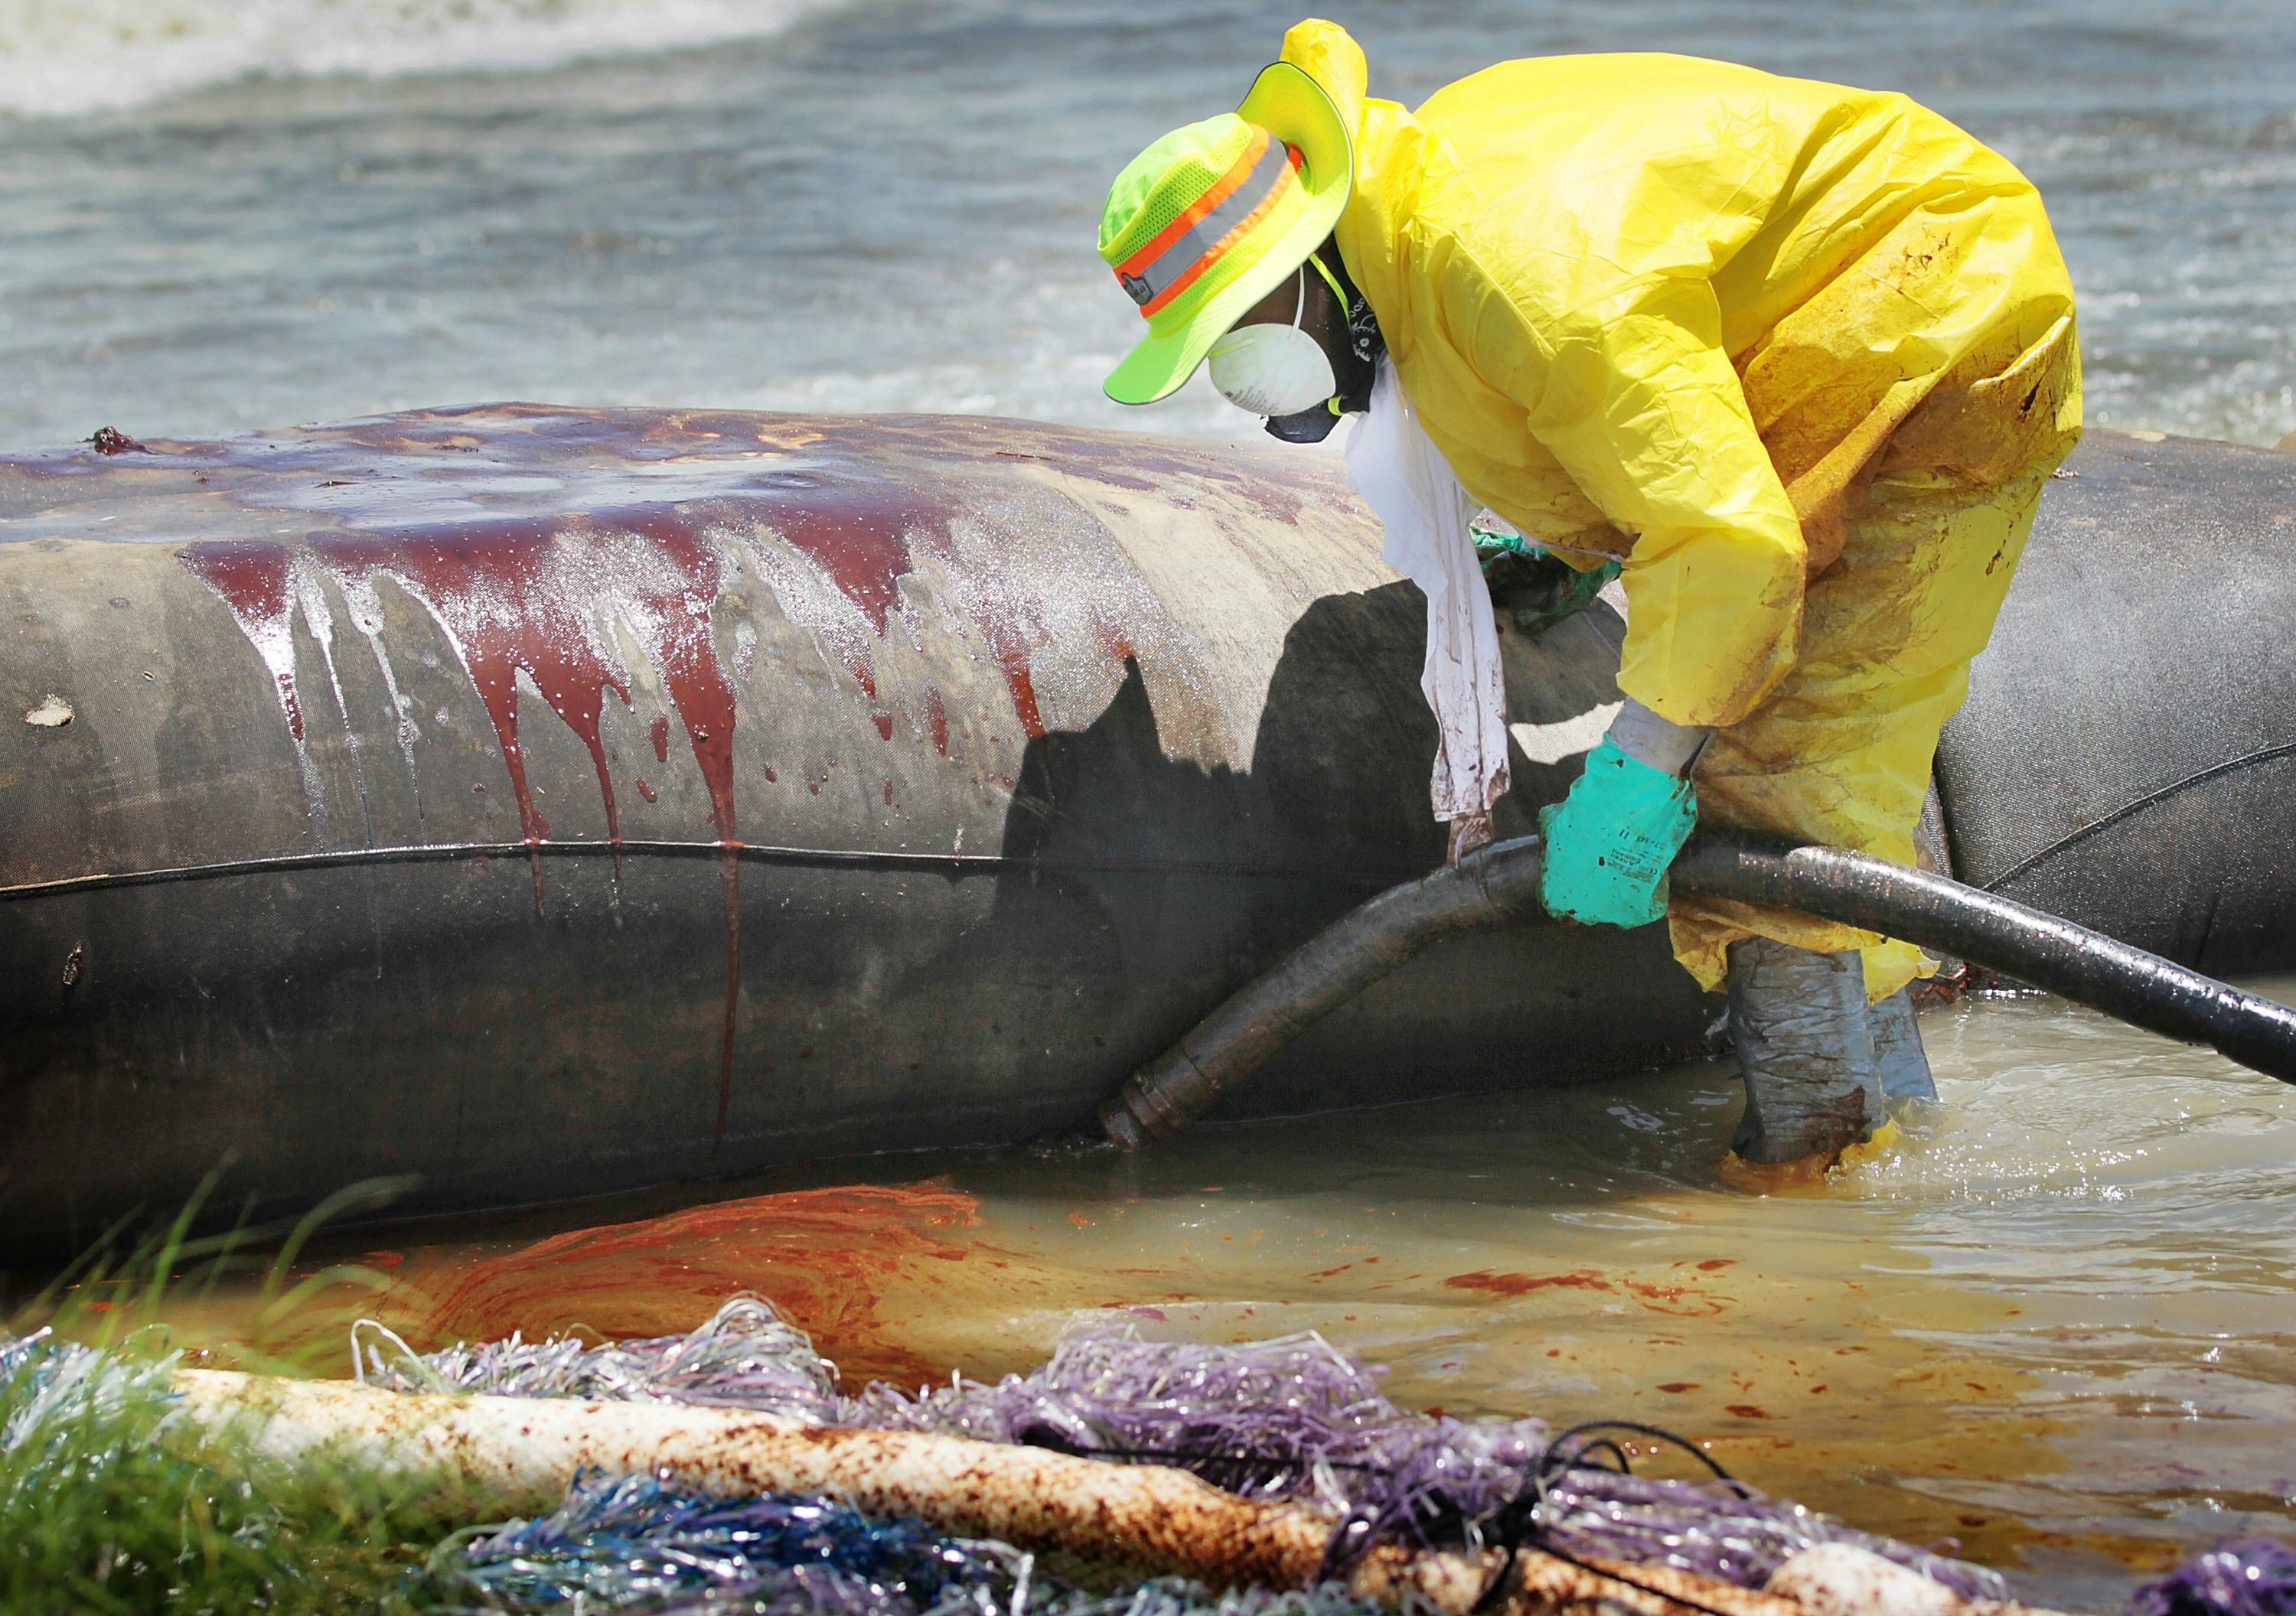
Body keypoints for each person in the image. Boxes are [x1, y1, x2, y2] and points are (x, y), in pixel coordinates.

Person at [1094, 21, 2082, 1172]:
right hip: (1844, 309)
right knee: (1792, 789)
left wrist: (1635, 771)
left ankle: (1812, 1196)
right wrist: (1576, 548)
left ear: (1313, 270)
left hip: (1928, 317)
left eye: (1247, 342)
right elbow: (1622, 406)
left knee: (1776, 803)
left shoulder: (1517, 274)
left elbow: (1727, 539)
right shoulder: (1411, 223)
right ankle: (1891, 1145)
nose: (1260, 394)